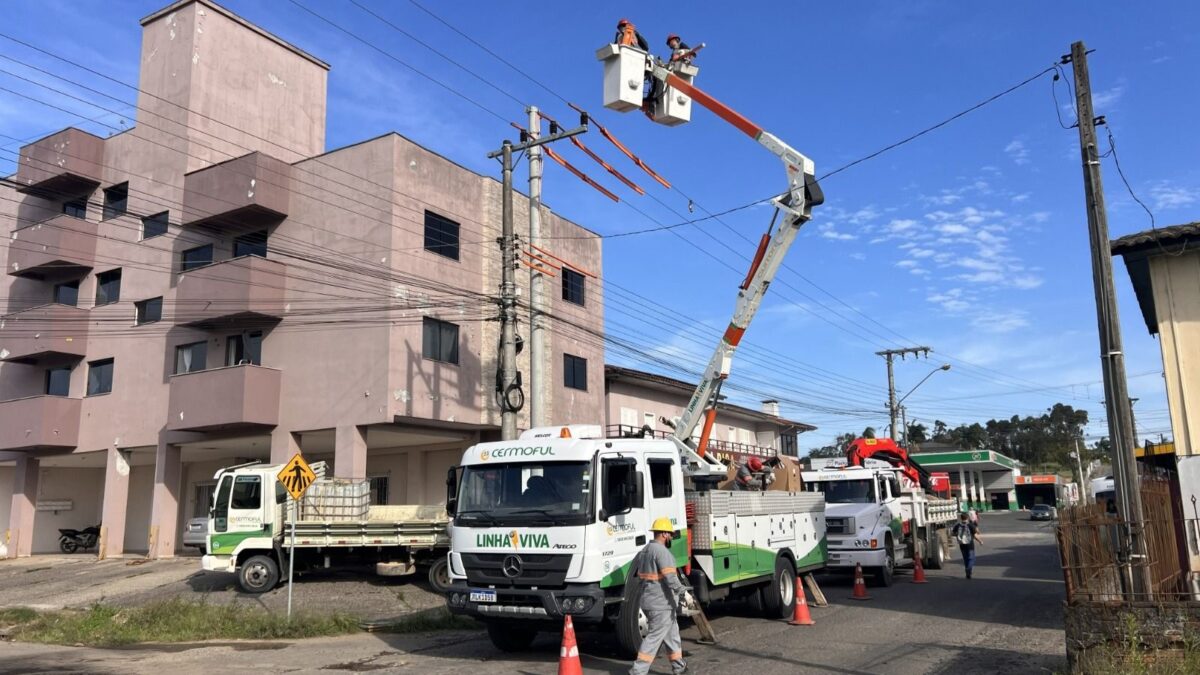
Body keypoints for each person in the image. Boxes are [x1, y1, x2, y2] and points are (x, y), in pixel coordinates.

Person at [630, 518, 689, 675]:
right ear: (663, 533)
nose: (670, 537)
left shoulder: (645, 550)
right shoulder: (662, 552)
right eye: (669, 534)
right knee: (654, 638)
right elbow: (671, 578)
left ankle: (679, 667)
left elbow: (638, 575)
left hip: (651, 600)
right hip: (660, 603)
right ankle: (638, 671)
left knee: (672, 636)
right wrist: (683, 590)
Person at [951, 512, 982, 579]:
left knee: (965, 559)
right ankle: (968, 569)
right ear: (967, 518)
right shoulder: (970, 525)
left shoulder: (957, 525)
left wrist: (959, 535)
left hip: (962, 544)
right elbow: (975, 535)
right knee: (971, 559)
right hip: (970, 545)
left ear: (961, 518)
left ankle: (968, 574)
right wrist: (980, 541)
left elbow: (952, 533)